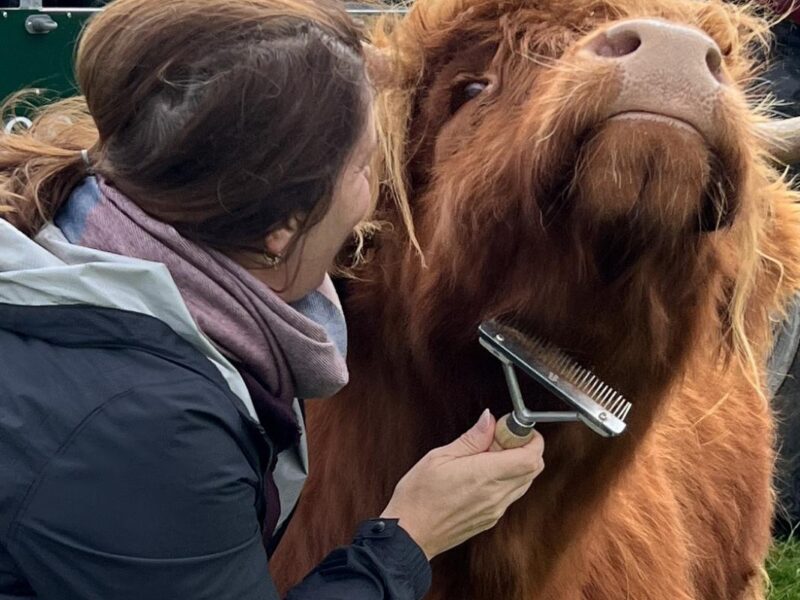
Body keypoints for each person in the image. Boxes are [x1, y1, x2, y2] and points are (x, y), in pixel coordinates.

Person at [0, 0, 546, 598]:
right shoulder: (149, 431)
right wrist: (410, 537)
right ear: (279, 229)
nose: (375, 193)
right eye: (366, 165)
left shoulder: (85, 218)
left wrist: (330, 59)